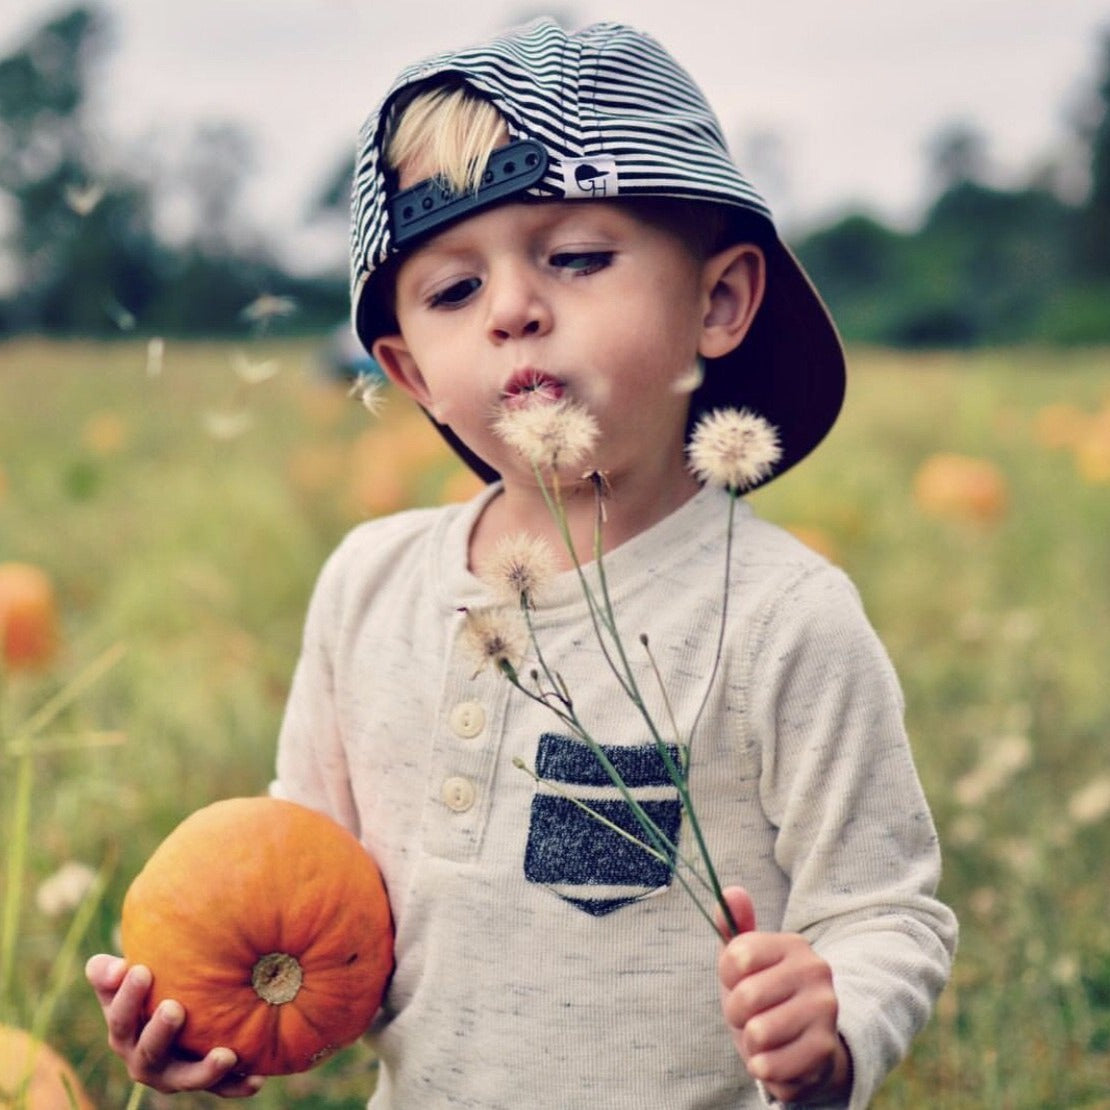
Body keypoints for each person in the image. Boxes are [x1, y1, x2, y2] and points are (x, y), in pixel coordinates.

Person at [87, 18, 957, 1108]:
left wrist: (837, 1022)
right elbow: (303, 882)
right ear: (409, 369)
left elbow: (886, 909)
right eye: (453, 291)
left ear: (719, 301)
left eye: (578, 258)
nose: (511, 310)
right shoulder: (368, 587)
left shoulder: (784, 616)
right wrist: (214, 1016)